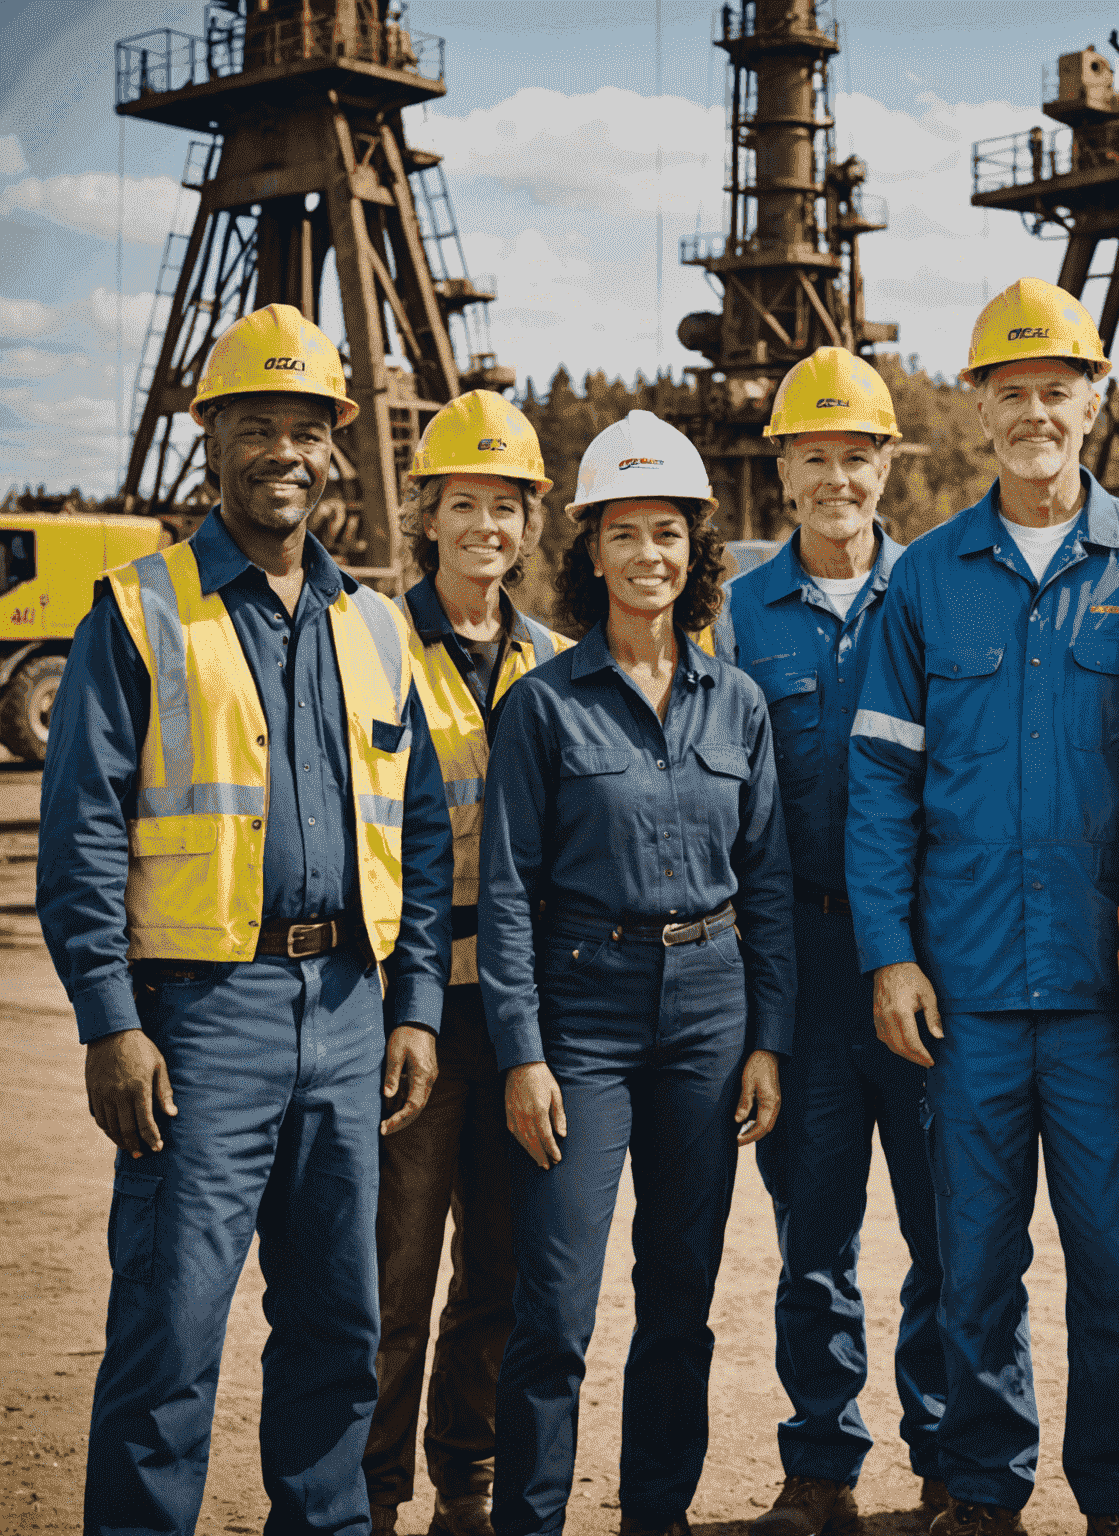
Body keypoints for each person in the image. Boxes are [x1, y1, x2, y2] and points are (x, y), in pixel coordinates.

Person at [38, 302, 454, 1536]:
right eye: (256, 424)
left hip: (347, 1016)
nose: (285, 450)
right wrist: (112, 1023)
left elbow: (419, 837)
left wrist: (416, 1009)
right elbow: (82, 838)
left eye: (307, 428)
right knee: (169, 1330)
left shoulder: (377, 626)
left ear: (336, 447)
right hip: (197, 1019)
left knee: (338, 1326)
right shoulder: (141, 609)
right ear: (210, 436)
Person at [846, 278, 1119, 1536]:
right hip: (975, 994)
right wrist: (890, 957)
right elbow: (881, 787)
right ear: (980, 410)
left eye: (1058, 390)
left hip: (1118, 997)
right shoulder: (928, 582)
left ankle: (1118, 1499)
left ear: (1094, 404)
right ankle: (985, 1494)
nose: (1036, 413)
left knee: (1118, 1266)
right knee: (975, 1270)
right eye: (1013, 394)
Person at [477, 410, 797, 1536]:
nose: (648, 554)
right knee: (555, 1304)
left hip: (710, 1014)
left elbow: (767, 888)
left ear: (696, 551)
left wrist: (767, 1040)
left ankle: (654, 1514)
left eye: (669, 532)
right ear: (590, 551)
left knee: (679, 1302)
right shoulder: (545, 706)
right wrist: (521, 1052)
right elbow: (508, 892)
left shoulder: (739, 705)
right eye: (625, 533)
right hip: (585, 1013)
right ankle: (530, 1519)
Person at [713, 348, 947, 1536]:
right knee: (814, 1237)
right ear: (783, 468)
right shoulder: (738, 616)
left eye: (858, 455)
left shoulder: (936, 593)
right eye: (816, 457)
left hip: (921, 965)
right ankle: (819, 1473)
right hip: (798, 970)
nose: (838, 478)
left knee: (947, 1231)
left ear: (886, 464)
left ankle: (951, 1468)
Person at [366, 392, 572, 1536]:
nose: (487, 525)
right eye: (464, 505)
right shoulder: (372, 648)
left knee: (499, 1267)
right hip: (417, 1011)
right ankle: (371, 1492)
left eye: (507, 506)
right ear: (427, 518)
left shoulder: (556, 661)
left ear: (530, 525)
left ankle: (467, 1479)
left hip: (525, 1015)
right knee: (394, 1273)